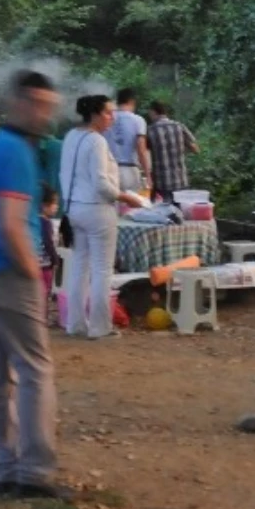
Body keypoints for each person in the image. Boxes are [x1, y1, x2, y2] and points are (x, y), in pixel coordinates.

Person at [0, 69, 68, 500]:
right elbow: (11, 224)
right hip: (8, 274)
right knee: (35, 371)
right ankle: (35, 473)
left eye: (49, 106)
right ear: (19, 103)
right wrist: (33, 276)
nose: (45, 115)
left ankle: (4, 471)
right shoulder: (15, 153)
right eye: (38, 105)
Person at [61, 95, 144, 339]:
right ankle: (100, 327)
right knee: (101, 270)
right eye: (108, 112)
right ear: (95, 114)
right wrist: (124, 197)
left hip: (74, 208)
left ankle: (75, 324)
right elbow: (101, 183)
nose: (112, 117)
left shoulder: (70, 136)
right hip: (97, 209)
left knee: (79, 268)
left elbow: (64, 174)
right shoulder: (96, 141)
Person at [146, 100, 198, 203]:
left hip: (162, 183)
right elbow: (195, 149)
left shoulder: (150, 130)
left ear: (153, 112)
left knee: (163, 215)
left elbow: (145, 154)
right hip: (181, 181)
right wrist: (180, 150)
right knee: (180, 214)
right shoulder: (179, 126)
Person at [107, 88, 150, 194]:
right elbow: (141, 150)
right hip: (129, 170)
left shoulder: (106, 119)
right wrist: (148, 175)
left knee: (112, 207)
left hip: (108, 170)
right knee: (131, 208)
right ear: (132, 101)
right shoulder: (138, 120)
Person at [39, 186, 61, 327]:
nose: (57, 207)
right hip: (44, 264)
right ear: (44, 205)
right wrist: (55, 258)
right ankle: (42, 318)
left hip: (30, 263)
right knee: (44, 292)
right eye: (55, 203)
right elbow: (48, 243)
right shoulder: (46, 223)